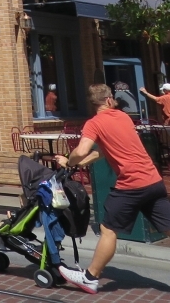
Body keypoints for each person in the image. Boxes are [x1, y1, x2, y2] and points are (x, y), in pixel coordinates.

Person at [55, 83, 170, 293]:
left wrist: (69, 162)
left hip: (131, 185)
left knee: (108, 230)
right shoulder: (123, 117)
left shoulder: (94, 123)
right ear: (109, 100)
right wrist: (81, 162)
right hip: (152, 181)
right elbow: (103, 151)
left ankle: (90, 277)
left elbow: (81, 151)